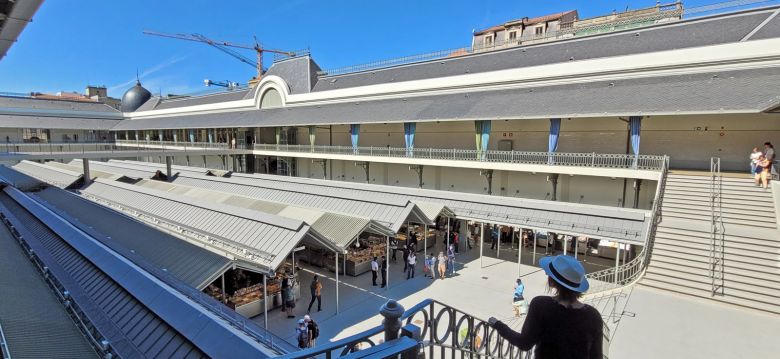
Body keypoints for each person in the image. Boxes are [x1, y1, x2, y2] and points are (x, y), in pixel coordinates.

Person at [488, 255, 602, 359]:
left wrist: (498, 325)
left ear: (552, 281)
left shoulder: (541, 305)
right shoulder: (593, 316)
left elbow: (524, 343)